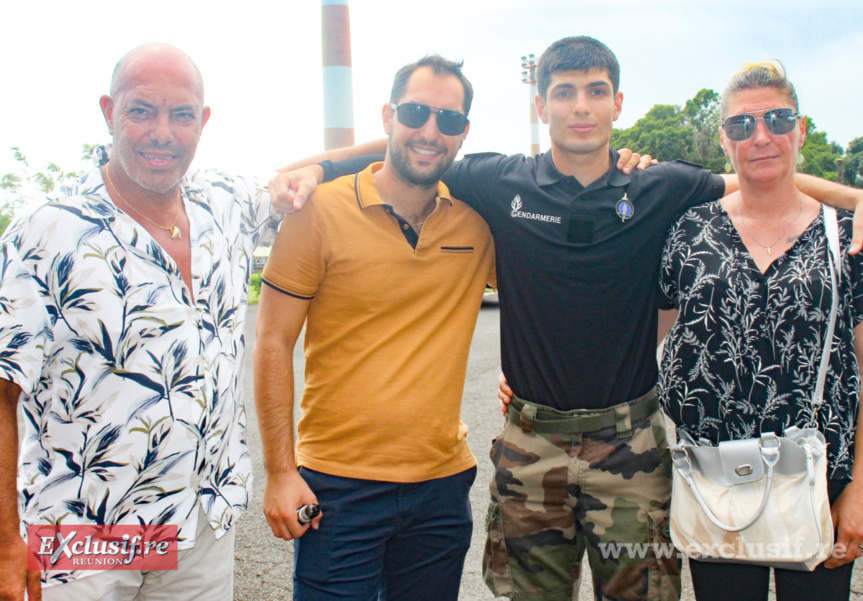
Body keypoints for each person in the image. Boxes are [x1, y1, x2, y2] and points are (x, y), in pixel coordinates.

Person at [274, 37, 863, 601]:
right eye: (564, 92)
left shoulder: (659, 186)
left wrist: (856, 199)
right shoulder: (499, 183)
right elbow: (408, 148)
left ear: (618, 103)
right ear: (541, 103)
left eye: (596, 90)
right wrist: (315, 170)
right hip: (533, 448)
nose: (581, 106)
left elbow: (763, 178)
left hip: (632, 449)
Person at [0, 43, 282, 601]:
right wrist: (6, 541)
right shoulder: (48, 232)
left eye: (181, 114)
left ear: (203, 121)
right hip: (85, 537)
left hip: (199, 526)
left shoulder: (224, 203)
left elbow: (311, 173)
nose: (162, 132)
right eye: (141, 110)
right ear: (108, 112)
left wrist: (407, 129)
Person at [253, 55, 496, 601]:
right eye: (415, 112)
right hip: (338, 486)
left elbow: (554, 293)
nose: (431, 131)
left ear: (464, 133)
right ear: (387, 116)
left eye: (449, 120)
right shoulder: (317, 212)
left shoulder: (477, 222)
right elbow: (271, 340)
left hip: (441, 488)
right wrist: (278, 471)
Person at [657, 61, 863, 601]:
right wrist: (535, 378)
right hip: (714, 483)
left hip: (820, 479)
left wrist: (861, 490)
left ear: (801, 130)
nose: (761, 137)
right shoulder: (689, 232)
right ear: (725, 142)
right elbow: (642, 338)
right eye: (742, 126)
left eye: (777, 119)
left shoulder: (847, 238)